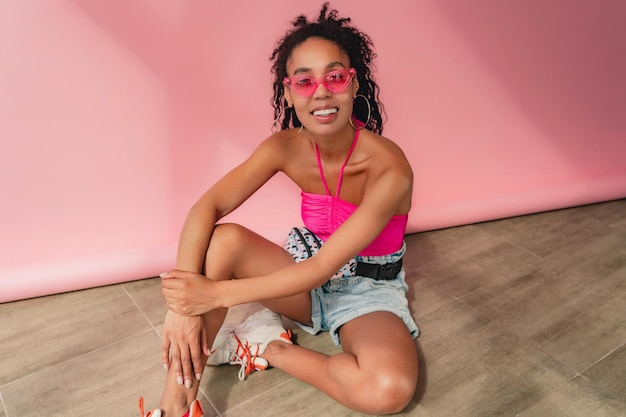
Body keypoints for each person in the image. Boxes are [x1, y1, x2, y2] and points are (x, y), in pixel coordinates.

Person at [139, 3, 419, 416]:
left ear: (353, 83)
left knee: (387, 391)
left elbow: (324, 267)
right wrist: (182, 304)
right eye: (304, 82)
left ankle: (266, 346)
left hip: (367, 291)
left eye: (334, 76)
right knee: (225, 240)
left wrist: (213, 294)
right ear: (288, 92)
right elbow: (207, 206)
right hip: (301, 279)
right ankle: (174, 406)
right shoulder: (283, 149)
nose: (321, 92)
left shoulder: (390, 168)